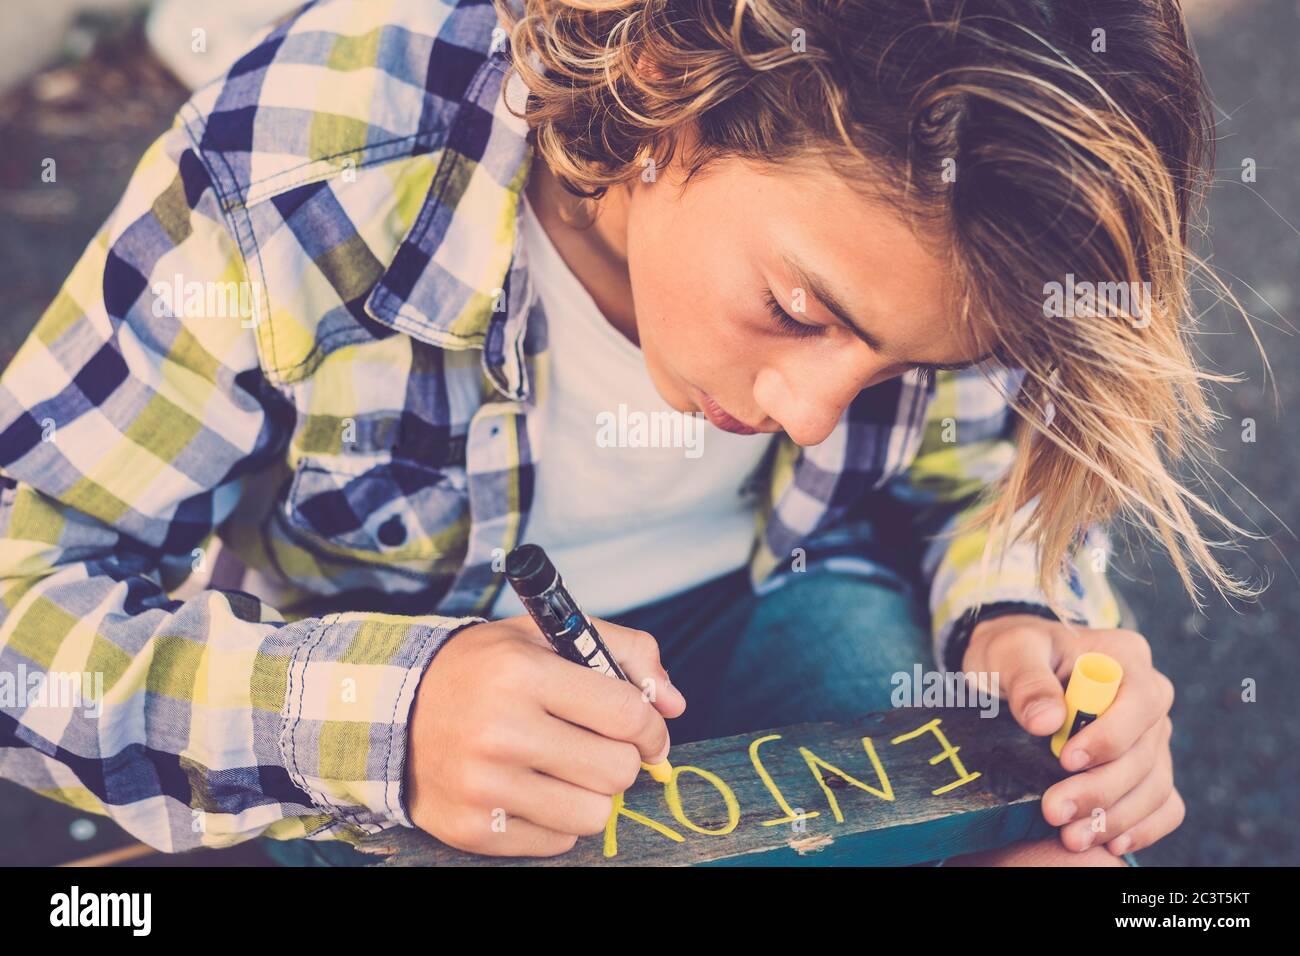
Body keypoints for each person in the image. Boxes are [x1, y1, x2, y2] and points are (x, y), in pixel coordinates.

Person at [0, 0, 1251, 866]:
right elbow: (23, 607)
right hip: (420, 718)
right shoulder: (305, 162)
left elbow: (984, 484)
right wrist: (390, 719)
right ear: (668, 89)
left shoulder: (968, 216)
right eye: (798, 311)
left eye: (914, 364)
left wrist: (1016, 620)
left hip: (793, 605)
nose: (813, 414)